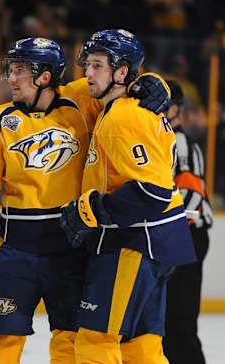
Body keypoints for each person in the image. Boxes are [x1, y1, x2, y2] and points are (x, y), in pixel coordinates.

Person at [0, 36, 171, 364]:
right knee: (1, 338)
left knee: (70, 340)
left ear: (45, 76)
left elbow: (120, 84)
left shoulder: (81, 103)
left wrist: (152, 83)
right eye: (11, 70)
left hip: (72, 251)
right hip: (17, 251)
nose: (10, 78)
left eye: (19, 71)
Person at [60, 29, 196, 364]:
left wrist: (92, 210)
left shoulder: (123, 117)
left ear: (121, 72)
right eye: (87, 65)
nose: (87, 73)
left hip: (136, 243)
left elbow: (152, 192)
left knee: (95, 342)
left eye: (97, 65)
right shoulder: (120, 107)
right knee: (141, 348)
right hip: (157, 242)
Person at [162, 80, 213, 364]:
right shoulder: (164, 140)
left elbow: (190, 198)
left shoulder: (179, 143)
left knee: (179, 321)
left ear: (176, 109)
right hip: (177, 234)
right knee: (168, 321)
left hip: (187, 234)